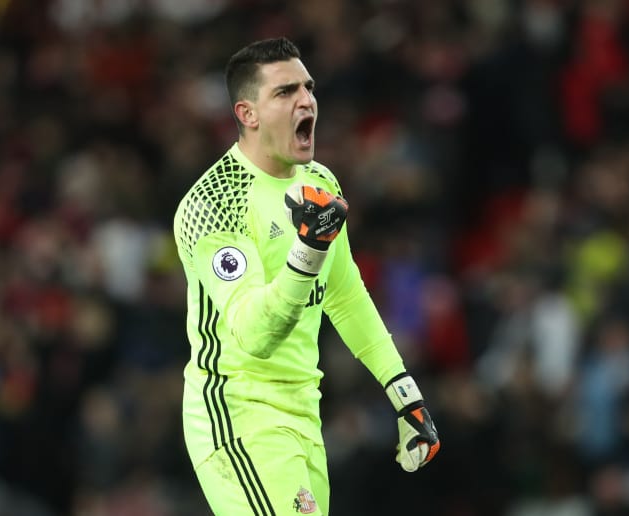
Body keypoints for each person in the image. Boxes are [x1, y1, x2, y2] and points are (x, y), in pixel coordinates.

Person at [173, 37, 440, 515]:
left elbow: (344, 294)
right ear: (248, 114)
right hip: (239, 415)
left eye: (308, 87)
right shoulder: (214, 204)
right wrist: (307, 252)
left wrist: (403, 391)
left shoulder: (319, 181)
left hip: (304, 412)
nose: (306, 101)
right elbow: (254, 335)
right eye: (285, 92)